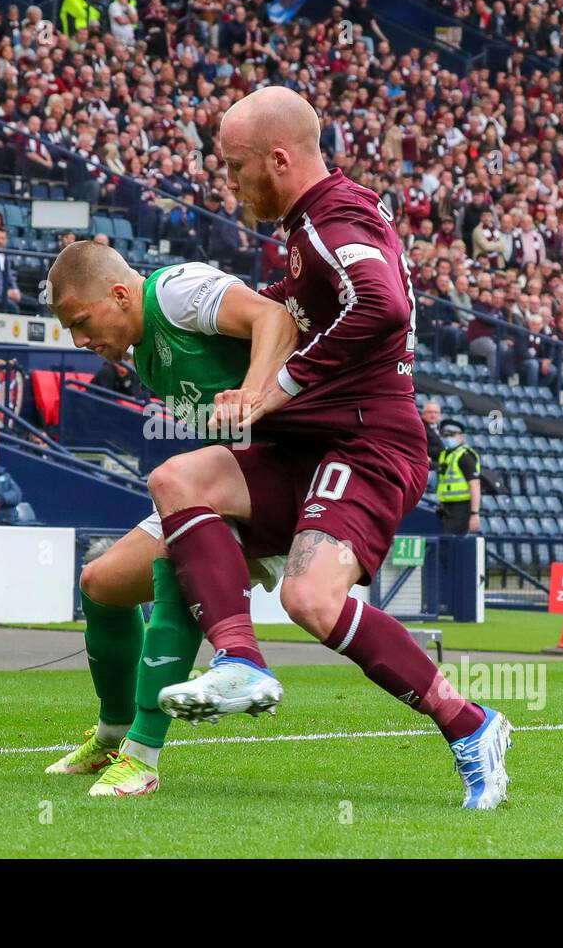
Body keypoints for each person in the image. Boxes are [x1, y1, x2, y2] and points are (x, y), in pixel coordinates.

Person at [139, 86, 509, 809]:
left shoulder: (332, 222)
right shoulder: (320, 223)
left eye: (235, 165)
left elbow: (385, 305)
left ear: (279, 158)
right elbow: (310, 302)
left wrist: (277, 384)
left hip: (366, 443)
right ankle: (240, 661)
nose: (230, 182)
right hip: (312, 443)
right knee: (179, 480)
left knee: (310, 598)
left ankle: (472, 725)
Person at [39, 240, 304, 797]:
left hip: (280, 472)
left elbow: (273, 315)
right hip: (223, 476)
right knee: (101, 584)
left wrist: (253, 393)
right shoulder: (143, 353)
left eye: (81, 323)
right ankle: (113, 734)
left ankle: (141, 758)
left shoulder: (176, 292)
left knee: (175, 563)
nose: (80, 341)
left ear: (118, 293)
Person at [435, 420, 481, 535]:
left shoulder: (465, 456)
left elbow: (475, 486)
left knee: (451, 543)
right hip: (446, 507)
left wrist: (474, 514)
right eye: (445, 435)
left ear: (461, 437)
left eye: (452, 435)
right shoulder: (444, 454)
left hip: (461, 507)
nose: (448, 438)